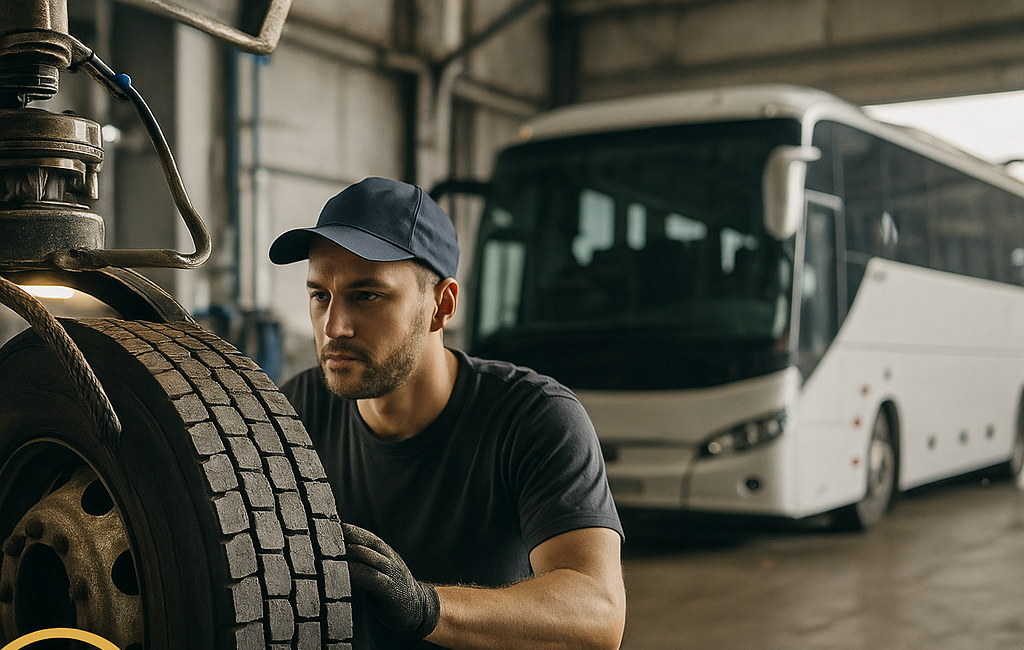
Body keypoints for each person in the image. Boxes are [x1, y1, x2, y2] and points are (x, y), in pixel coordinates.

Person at [269, 176, 626, 650]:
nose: (335, 326)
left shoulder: (535, 419)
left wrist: (424, 607)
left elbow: (598, 614)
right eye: (320, 295)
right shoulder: (293, 414)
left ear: (442, 305)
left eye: (367, 295)